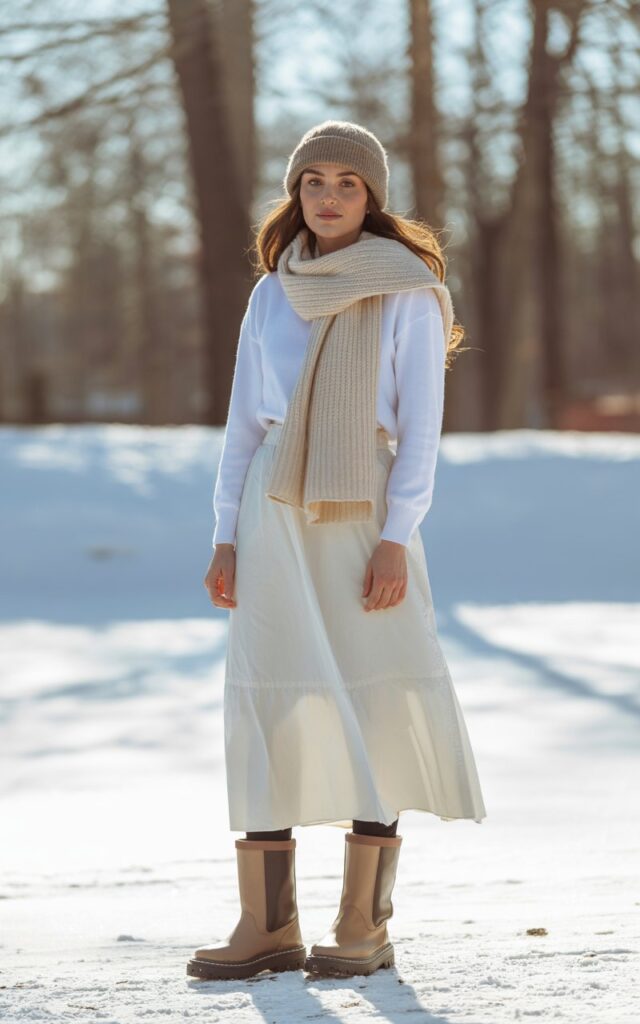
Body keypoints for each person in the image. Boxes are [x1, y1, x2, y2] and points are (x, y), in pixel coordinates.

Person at [187, 120, 487, 982]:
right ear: (295, 194)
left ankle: (362, 924)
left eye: (346, 184)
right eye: (311, 181)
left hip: (362, 505)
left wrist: (398, 538)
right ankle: (266, 923)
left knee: (371, 694)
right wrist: (224, 533)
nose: (326, 197)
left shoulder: (408, 289)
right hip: (272, 504)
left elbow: (422, 431)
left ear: (373, 196)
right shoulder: (271, 293)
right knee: (270, 695)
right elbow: (246, 421)